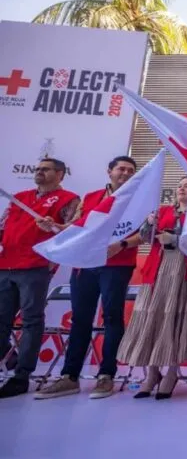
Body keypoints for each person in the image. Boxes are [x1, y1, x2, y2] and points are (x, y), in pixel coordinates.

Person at [35, 156, 141, 400]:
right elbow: (76, 227)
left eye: (130, 170)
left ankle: (106, 376)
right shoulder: (92, 197)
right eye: (121, 169)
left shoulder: (140, 200)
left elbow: (146, 233)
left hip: (117, 265)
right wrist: (53, 226)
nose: (125, 173)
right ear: (109, 171)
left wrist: (122, 244)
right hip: (85, 265)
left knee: (113, 317)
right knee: (80, 319)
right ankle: (69, 377)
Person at [116, 176, 187, 400]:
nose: (183, 189)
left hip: (185, 271)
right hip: (157, 269)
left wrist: (175, 239)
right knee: (151, 318)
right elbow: (146, 238)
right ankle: (152, 372)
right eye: (180, 185)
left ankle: (172, 372)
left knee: (176, 319)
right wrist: (148, 222)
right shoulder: (163, 211)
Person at [0, 158, 79, 398]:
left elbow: (73, 230)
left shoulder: (69, 199)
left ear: (60, 174)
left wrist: (54, 226)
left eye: (45, 169)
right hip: (6, 265)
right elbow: (4, 225)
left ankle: (22, 375)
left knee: (32, 321)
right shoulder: (20, 197)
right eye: (37, 169)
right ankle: (10, 358)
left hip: (35, 266)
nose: (39, 172)